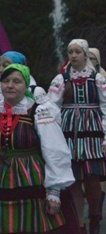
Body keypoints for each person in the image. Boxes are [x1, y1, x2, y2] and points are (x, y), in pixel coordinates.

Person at [0, 64, 74, 233]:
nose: (10, 85)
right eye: (6, 81)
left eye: (17, 81)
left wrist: (54, 191)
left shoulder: (38, 112)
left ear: (26, 85)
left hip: (28, 180)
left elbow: (55, 151)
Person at [48, 39, 106, 234]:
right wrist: (53, 133)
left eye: (77, 52)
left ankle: (95, 215)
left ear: (85, 54)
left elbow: (105, 107)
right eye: (70, 52)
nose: (73, 55)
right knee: (72, 180)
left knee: (92, 178)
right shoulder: (61, 79)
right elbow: (52, 106)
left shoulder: (97, 79)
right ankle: (80, 224)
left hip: (92, 134)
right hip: (69, 135)